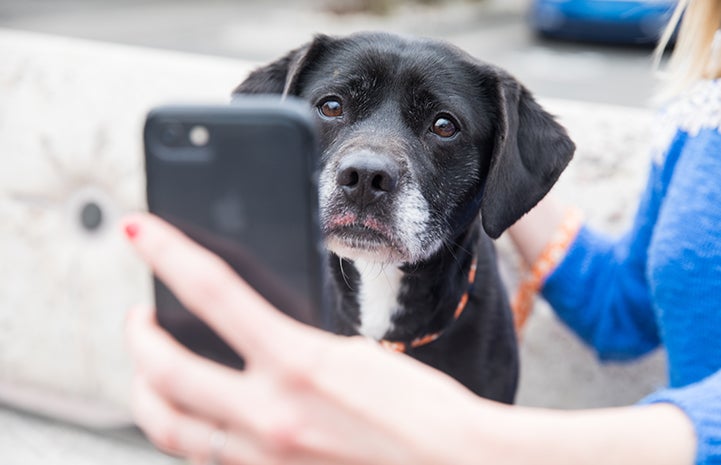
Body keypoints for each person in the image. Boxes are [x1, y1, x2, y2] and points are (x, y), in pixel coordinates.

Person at [123, 0, 721, 463]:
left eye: (441, 125)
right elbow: (624, 304)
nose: (368, 165)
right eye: (333, 109)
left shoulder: (483, 344)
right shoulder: (699, 117)